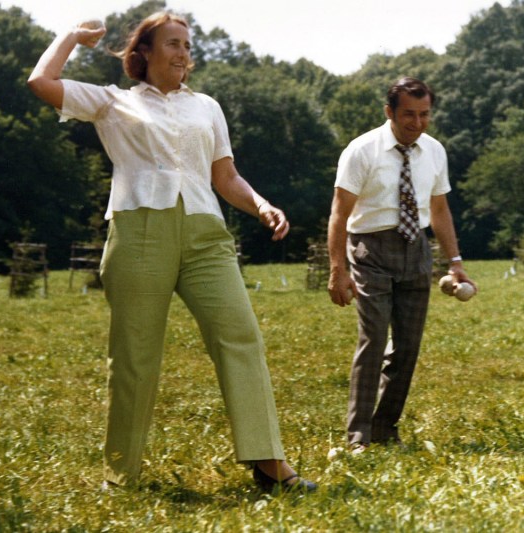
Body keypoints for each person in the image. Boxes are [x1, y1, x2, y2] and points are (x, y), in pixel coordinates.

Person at [27, 12, 315, 492]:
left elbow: (224, 176)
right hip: (139, 232)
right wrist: (73, 37)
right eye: (173, 44)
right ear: (144, 54)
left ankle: (269, 464)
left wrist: (261, 204)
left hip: (205, 234)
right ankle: (122, 474)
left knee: (241, 336)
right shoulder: (112, 102)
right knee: (135, 356)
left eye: (187, 44)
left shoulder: (207, 107)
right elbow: (42, 81)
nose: (184, 53)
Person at [327, 77, 476, 453]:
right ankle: (358, 435)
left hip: (416, 251)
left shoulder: (435, 151)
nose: (417, 122)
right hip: (370, 251)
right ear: (389, 112)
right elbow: (339, 212)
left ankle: (384, 428)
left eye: (425, 114)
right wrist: (336, 269)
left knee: (407, 346)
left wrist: (454, 262)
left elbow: (440, 210)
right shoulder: (361, 151)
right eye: (408, 114)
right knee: (374, 340)